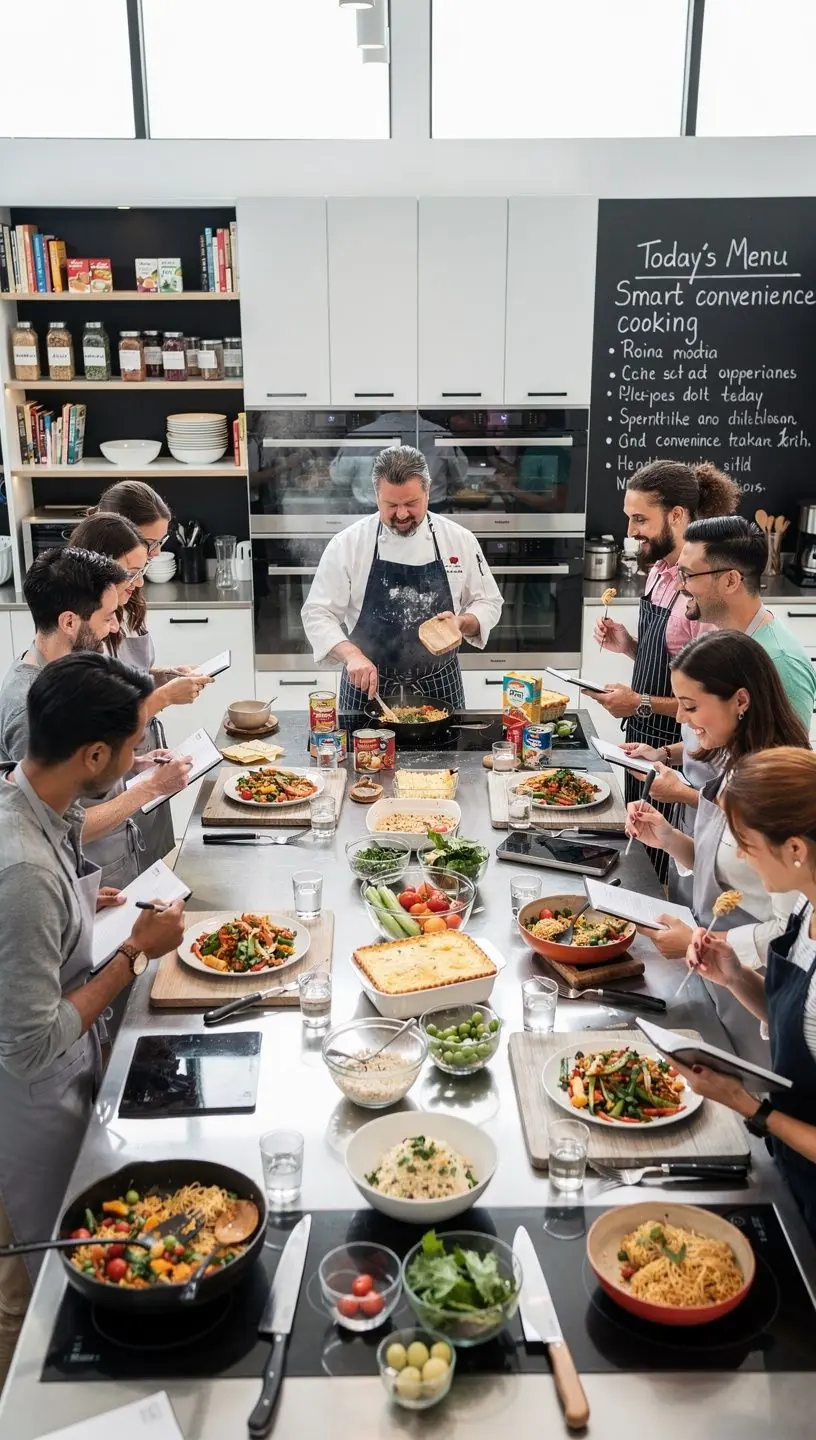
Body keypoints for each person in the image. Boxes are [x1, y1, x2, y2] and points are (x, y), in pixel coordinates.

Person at [0, 652, 186, 1381]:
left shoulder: (36, 807)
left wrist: (88, 905)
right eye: (133, 748)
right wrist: (134, 955)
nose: (139, 760)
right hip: (27, 1108)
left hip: (59, 1090)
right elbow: (32, 1042)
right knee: (34, 1296)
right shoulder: (23, 871)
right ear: (95, 754)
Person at [624, 629, 809, 1065]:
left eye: (691, 706)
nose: (683, 719)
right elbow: (723, 866)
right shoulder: (727, 758)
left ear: (741, 700)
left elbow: (790, 927)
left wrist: (707, 941)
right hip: (715, 968)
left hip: (754, 987)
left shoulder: (773, 790)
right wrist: (667, 838)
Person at [621, 515, 816, 901]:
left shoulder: (779, 663)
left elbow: (776, 797)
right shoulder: (720, 637)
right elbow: (722, 740)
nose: (679, 585)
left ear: (730, 580)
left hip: (745, 869)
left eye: (689, 575)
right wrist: (666, 753)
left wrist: (688, 796)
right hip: (701, 836)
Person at [677, 748, 816, 1236]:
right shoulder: (803, 912)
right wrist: (734, 975)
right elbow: (791, 1021)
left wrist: (748, 1106)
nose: (738, 856)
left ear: (795, 848)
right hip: (790, 1167)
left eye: (747, 844)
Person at [0, 546, 192, 887]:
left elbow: (76, 767)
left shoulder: (68, 675)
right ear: (69, 622)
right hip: (83, 880)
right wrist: (150, 789)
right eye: (107, 616)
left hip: (110, 870)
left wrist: (131, 762)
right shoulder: (27, 708)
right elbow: (56, 824)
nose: (115, 626)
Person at [589, 460, 740, 878]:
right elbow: (672, 663)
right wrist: (630, 647)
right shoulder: (657, 570)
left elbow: (702, 699)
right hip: (646, 743)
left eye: (641, 519)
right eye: (630, 518)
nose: (632, 530)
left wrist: (638, 704)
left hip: (682, 744)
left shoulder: (700, 591)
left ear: (677, 515)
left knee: (668, 867)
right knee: (640, 848)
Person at [301, 444, 503, 710]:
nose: (402, 514)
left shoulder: (458, 540)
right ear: (376, 497)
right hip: (367, 684)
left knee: (450, 753)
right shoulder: (348, 544)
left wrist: (461, 623)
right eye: (391, 505)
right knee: (360, 753)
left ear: (427, 492)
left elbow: (488, 602)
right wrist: (351, 656)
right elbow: (317, 613)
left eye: (411, 503)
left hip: (440, 684)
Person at [70, 512, 211, 867]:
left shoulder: (106, 615)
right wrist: (162, 697)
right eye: (132, 571)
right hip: (100, 848)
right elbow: (67, 823)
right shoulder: (73, 651)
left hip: (128, 783)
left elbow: (121, 681)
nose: (138, 581)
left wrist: (133, 763)